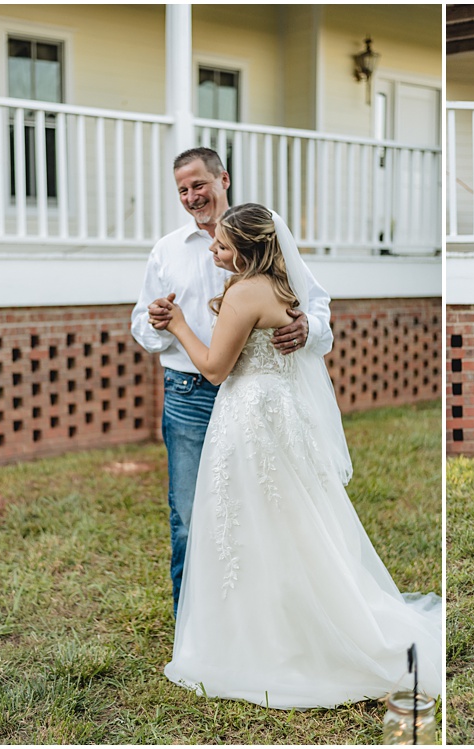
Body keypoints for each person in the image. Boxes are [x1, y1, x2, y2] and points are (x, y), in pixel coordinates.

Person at [157, 203, 442, 707]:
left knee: (252, 523)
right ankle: (291, 622)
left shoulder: (245, 293)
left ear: (244, 250)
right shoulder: (282, 285)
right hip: (279, 415)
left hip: (249, 418)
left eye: (222, 245)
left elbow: (215, 368)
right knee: (289, 523)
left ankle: (270, 642)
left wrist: (178, 324)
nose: (214, 250)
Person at [130, 147, 332, 615]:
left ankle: (254, 618)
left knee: (264, 511)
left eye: (198, 184)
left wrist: (308, 329)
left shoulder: (264, 232)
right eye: (181, 189)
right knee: (190, 517)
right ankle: (194, 622)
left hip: (254, 400)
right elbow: (140, 323)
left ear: (224, 179)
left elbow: (314, 300)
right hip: (189, 395)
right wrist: (159, 320)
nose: (190, 196)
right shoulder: (166, 251)